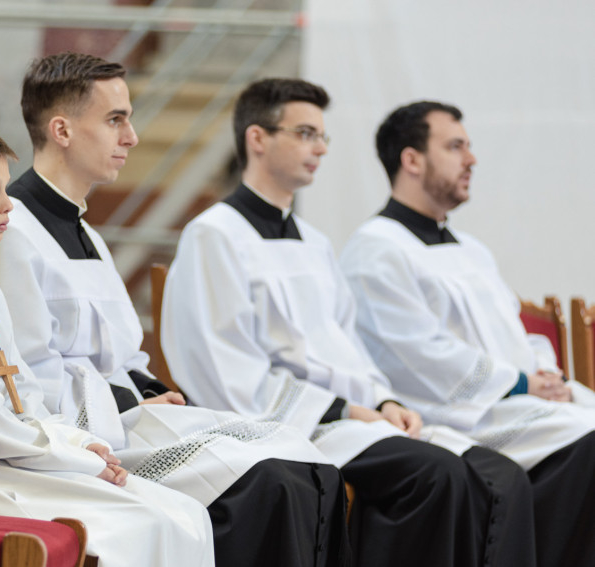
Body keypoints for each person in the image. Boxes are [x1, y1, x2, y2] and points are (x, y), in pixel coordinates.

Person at [0, 53, 350, 567]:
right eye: (115, 120)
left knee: (308, 464)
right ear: (62, 130)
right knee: (272, 481)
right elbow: (25, 379)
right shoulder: (12, 232)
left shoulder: (88, 235)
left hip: (126, 418)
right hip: (83, 441)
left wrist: (151, 390)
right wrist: (131, 400)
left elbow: (121, 354)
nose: (131, 137)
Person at [162, 79, 538, 567]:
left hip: (348, 418)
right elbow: (225, 370)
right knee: (437, 476)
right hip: (291, 422)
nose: (320, 148)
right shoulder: (214, 235)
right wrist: (343, 408)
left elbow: (347, 345)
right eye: (305, 133)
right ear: (257, 139)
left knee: (487, 474)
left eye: (322, 136)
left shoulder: (315, 243)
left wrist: (384, 400)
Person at [0, 113, 215, 567]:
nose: (8, 205)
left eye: (4, 188)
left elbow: (22, 394)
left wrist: (77, 442)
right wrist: (74, 457)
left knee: (185, 512)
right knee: (145, 524)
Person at [340, 100, 595, 566]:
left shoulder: (472, 249)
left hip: (518, 402)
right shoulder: (375, 249)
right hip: (460, 413)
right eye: (456, 147)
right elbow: (418, 354)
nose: (471, 159)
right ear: (412, 160)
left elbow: (514, 329)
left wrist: (545, 372)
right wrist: (521, 382)